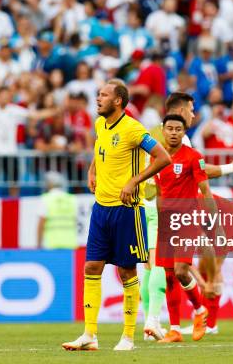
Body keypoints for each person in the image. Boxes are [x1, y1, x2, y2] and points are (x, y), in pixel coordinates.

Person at [62, 79, 171, 351]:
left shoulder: (133, 129)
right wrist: (92, 170)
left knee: (127, 271)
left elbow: (162, 157)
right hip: (101, 209)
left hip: (127, 210)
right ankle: (89, 335)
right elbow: (101, 148)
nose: (98, 98)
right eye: (98, 94)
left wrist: (135, 181)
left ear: (118, 101)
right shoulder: (100, 124)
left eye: (104, 95)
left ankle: (128, 337)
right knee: (91, 267)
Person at [141, 92, 233, 340]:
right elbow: (163, 188)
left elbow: (202, 183)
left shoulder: (158, 140)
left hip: (180, 215)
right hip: (160, 214)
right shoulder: (159, 148)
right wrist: (231, 167)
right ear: (179, 111)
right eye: (191, 110)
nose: (193, 114)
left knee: (167, 270)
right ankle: (175, 324)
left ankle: (180, 318)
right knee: (163, 272)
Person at [154, 114, 215, 343]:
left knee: (181, 271)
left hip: (187, 220)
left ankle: (200, 310)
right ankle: (175, 329)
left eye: (178, 129)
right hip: (166, 223)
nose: (173, 132)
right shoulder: (156, 158)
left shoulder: (193, 157)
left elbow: (205, 190)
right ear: (163, 130)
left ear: (184, 132)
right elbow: (160, 194)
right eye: (169, 128)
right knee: (169, 277)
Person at [37, 171, 78, 249]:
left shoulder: (45, 199)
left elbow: (41, 224)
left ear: (49, 184)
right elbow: (76, 221)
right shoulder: (72, 199)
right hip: (70, 244)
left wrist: (38, 245)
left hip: (52, 244)